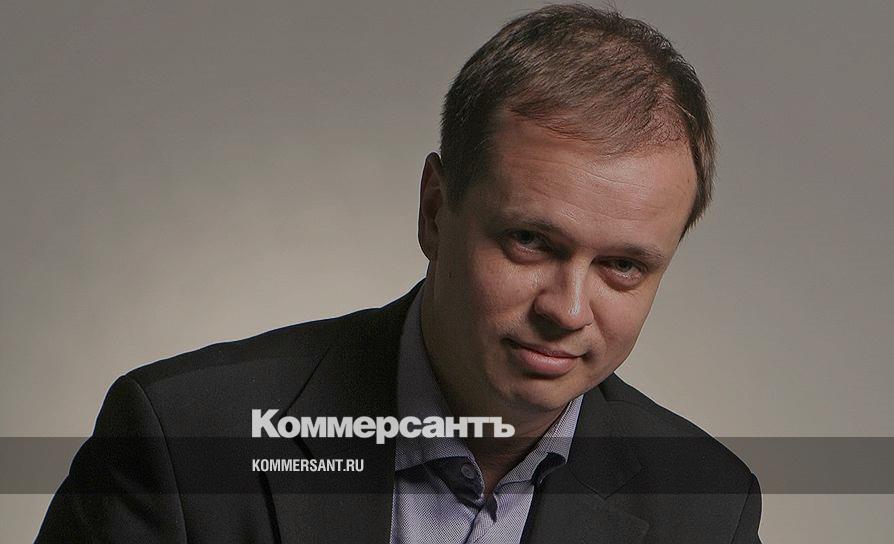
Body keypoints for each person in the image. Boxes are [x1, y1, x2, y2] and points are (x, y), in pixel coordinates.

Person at [38, 4, 761, 543]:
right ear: (435, 212)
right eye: (530, 241)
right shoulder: (180, 442)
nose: (568, 310)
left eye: (623, 266)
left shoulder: (710, 508)